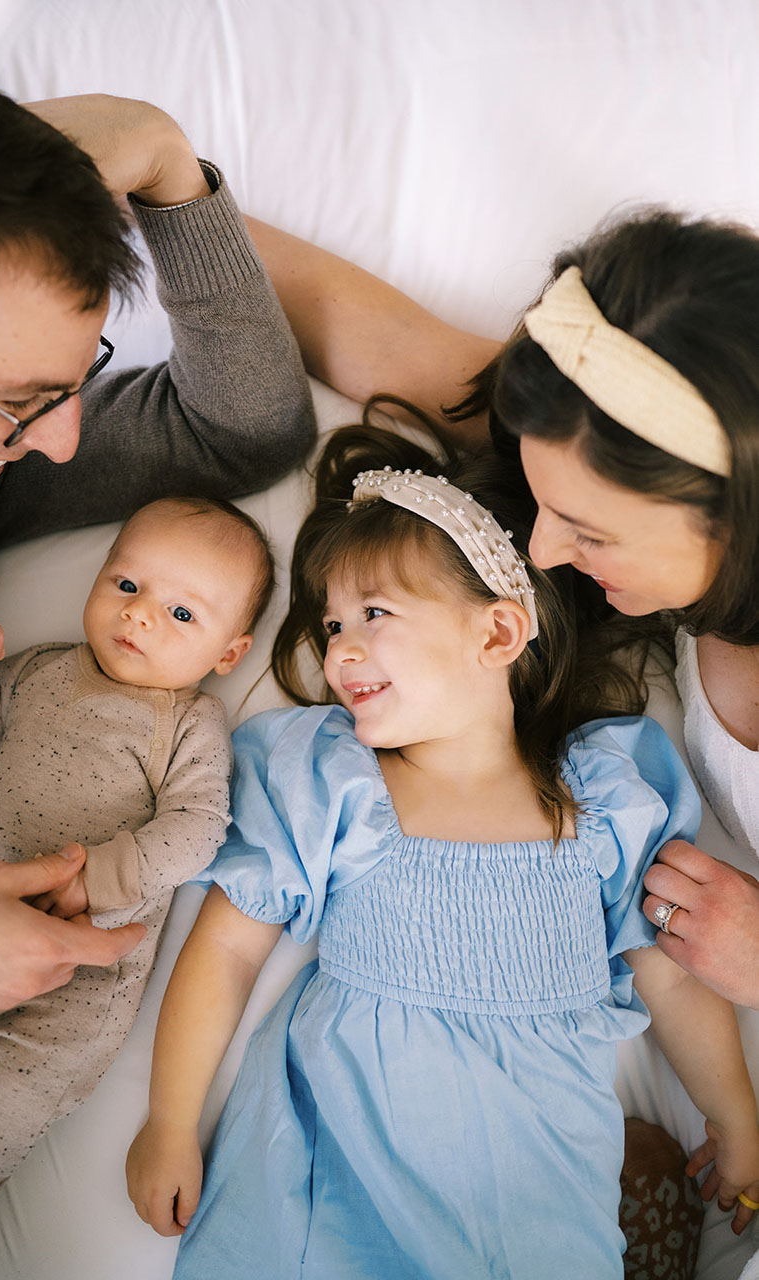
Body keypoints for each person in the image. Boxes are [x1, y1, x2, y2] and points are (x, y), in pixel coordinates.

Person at [126, 423, 759, 1279]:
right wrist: (170, 1121)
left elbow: (672, 970)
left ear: (497, 635)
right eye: (332, 622)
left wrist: (735, 1119)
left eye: (374, 614)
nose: (340, 646)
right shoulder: (334, 784)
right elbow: (228, 947)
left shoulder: (603, 804)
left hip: (540, 1192)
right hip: (344, 1174)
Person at [246, 208, 759, 1009]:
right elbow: (358, 327)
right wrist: (162, 187)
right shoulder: (605, 420)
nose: (545, 552)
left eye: (589, 532)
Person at [0, 70, 315, 1024]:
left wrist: (169, 168)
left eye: (76, 379)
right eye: (19, 398)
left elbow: (243, 429)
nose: (62, 440)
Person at [0, 493, 272, 1274]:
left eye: (181, 614)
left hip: (73, 988)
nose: (139, 618)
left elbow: (198, 829)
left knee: (10, 1105)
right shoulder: (49, 668)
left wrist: (100, 878)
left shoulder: (188, 724)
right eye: (126, 586)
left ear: (229, 655)